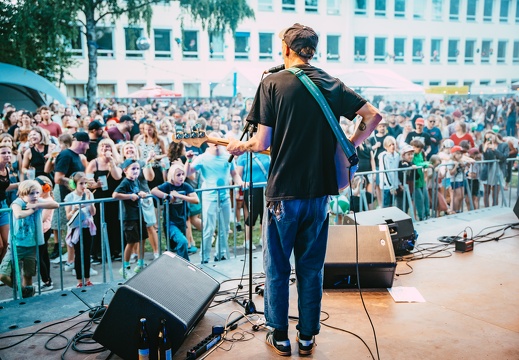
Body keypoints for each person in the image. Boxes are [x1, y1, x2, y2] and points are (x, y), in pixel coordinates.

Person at [226, 23, 381, 356]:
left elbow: (262, 142)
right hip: (319, 197)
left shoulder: (272, 83)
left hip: (283, 193)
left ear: (285, 48)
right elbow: (373, 115)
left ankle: (279, 336)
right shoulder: (332, 83)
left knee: (278, 269)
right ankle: (308, 336)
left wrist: (242, 146)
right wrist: (349, 145)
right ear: (313, 50)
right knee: (311, 269)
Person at [185, 132, 244, 264]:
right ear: (209, 142)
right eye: (213, 139)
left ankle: (220, 254)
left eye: (218, 139)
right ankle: (204, 258)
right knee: (208, 229)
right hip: (209, 198)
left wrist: (240, 182)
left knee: (224, 229)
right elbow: (188, 173)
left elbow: (234, 174)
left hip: (224, 198)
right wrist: (188, 160)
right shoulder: (202, 158)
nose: (216, 142)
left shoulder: (227, 157)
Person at [0, 180, 58, 298]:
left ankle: (27, 299)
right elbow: (18, 214)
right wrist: (32, 210)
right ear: (22, 194)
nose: (35, 196)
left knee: (28, 275)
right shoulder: (17, 202)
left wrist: (37, 205)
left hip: (31, 245)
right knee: (3, 275)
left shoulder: (37, 201)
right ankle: (21, 290)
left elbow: (56, 204)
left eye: (37, 193)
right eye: (31, 193)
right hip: (16, 246)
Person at [151, 163, 199, 261]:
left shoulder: (185, 186)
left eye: (183, 174)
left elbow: (196, 199)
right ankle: (185, 265)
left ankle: (180, 265)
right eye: (178, 175)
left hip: (182, 220)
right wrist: (167, 196)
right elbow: (153, 191)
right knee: (182, 242)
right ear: (172, 176)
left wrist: (180, 196)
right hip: (170, 222)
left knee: (179, 246)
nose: (181, 177)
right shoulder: (167, 185)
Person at [113, 159, 150, 279]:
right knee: (131, 242)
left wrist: (141, 193)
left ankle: (140, 263)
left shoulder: (136, 182)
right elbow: (115, 195)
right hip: (129, 217)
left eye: (138, 169)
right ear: (125, 171)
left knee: (143, 238)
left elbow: (137, 192)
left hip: (138, 214)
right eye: (133, 169)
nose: (136, 171)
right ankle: (125, 267)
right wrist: (129, 196)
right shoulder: (125, 182)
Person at [64, 172, 96, 288]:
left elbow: (93, 212)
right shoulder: (70, 197)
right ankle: (79, 281)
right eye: (81, 183)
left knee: (87, 253)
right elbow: (67, 216)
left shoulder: (89, 194)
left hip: (87, 226)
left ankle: (87, 279)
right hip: (76, 228)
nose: (83, 186)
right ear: (74, 184)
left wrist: (89, 201)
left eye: (85, 183)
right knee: (78, 254)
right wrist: (74, 209)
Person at [0, 143, 19, 263]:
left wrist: (20, 185)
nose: (7, 155)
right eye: (3, 153)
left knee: (7, 243)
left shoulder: (6, 169)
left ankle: (1, 270)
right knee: (0, 246)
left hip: (3, 206)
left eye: (8, 152)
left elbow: (4, 188)